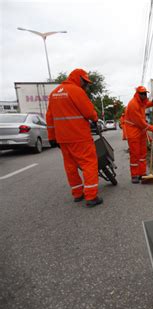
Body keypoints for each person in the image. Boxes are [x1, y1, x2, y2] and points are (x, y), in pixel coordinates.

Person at [46, 68, 103, 207]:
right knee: (89, 163)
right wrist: (95, 118)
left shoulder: (54, 93)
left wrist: (52, 137)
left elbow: (49, 117)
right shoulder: (76, 91)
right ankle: (91, 197)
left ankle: (77, 194)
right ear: (79, 78)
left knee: (70, 166)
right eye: (85, 81)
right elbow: (89, 112)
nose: (86, 84)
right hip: (79, 136)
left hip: (63, 138)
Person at [124, 86, 153, 183]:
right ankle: (134, 175)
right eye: (142, 93)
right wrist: (151, 128)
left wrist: (152, 102)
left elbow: (145, 105)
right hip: (133, 132)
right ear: (138, 94)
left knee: (143, 153)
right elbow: (140, 122)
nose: (144, 95)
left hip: (141, 131)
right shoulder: (133, 104)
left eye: (145, 93)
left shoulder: (141, 102)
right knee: (135, 154)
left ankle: (142, 173)